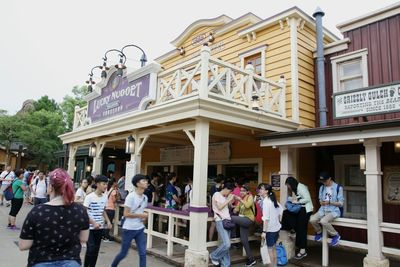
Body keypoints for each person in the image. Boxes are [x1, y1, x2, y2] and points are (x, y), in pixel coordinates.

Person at [19, 168, 89, 267]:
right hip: (71, 262)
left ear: (51, 187)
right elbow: (84, 238)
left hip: (40, 261)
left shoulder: (37, 211)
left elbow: (23, 245)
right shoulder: (80, 210)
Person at [111, 174, 149, 267]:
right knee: (123, 253)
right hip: (129, 229)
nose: (146, 182)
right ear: (137, 184)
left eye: (146, 181)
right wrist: (141, 215)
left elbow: (141, 211)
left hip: (140, 228)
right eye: (143, 181)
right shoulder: (131, 197)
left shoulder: (145, 198)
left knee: (143, 253)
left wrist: (143, 218)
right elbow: (126, 214)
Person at [281, 176, 313, 259]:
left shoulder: (301, 187)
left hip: (306, 209)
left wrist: (296, 202)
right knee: (286, 213)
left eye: (288, 185)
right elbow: (298, 199)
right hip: (301, 208)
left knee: (301, 228)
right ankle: (292, 229)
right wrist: (291, 200)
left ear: (292, 184)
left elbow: (307, 199)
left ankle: (303, 250)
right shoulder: (296, 189)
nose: (288, 187)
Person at [83, 175, 112, 267]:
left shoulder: (105, 197)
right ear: (97, 184)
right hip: (90, 228)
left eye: (106, 184)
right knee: (90, 248)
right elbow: (84, 212)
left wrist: (108, 221)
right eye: (104, 184)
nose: (105, 186)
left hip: (100, 227)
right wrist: (93, 222)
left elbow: (103, 210)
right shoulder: (89, 197)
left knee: (96, 249)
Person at [310, 171, 344, 247]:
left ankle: (335, 235)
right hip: (323, 210)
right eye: (322, 181)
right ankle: (319, 232)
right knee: (312, 219)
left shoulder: (338, 188)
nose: (324, 183)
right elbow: (320, 199)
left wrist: (330, 202)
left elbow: (341, 203)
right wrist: (321, 202)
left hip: (334, 211)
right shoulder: (322, 188)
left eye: (325, 181)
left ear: (330, 179)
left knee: (323, 221)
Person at [209, 182, 235, 267]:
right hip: (220, 220)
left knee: (225, 245)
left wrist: (231, 201)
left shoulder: (225, 197)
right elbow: (219, 207)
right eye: (230, 191)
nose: (229, 193)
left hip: (227, 221)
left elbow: (228, 208)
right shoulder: (216, 194)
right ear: (227, 189)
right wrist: (228, 200)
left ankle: (226, 265)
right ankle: (214, 256)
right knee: (227, 244)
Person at [231, 185, 256, 267]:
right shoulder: (240, 200)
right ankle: (251, 259)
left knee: (230, 218)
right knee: (244, 240)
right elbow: (236, 210)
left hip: (248, 220)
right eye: (241, 191)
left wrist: (240, 200)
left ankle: (231, 235)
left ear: (247, 192)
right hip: (242, 220)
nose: (241, 192)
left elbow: (247, 205)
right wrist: (232, 206)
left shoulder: (250, 197)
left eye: (243, 191)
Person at [259, 183, 283, 267]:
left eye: (262, 189)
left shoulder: (266, 202)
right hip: (276, 228)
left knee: (269, 252)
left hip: (269, 230)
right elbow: (281, 210)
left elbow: (266, 218)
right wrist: (278, 221)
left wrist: (264, 231)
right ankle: (275, 265)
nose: (260, 190)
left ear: (266, 191)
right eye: (260, 188)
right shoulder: (272, 199)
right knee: (273, 249)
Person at [208, 174, 225, 241]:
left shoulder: (212, 188)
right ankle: (220, 241)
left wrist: (210, 206)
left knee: (213, 224)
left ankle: (210, 240)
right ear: (222, 180)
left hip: (214, 207)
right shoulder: (222, 188)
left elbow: (210, 198)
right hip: (221, 208)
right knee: (221, 225)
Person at [103, 178, 119, 242]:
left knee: (106, 223)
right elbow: (114, 200)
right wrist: (117, 194)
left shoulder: (107, 189)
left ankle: (104, 236)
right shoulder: (114, 191)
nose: (117, 183)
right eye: (116, 182)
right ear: (114, 183)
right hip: (111, 208)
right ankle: (106, 237)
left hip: (106, 208)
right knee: (109, 223)